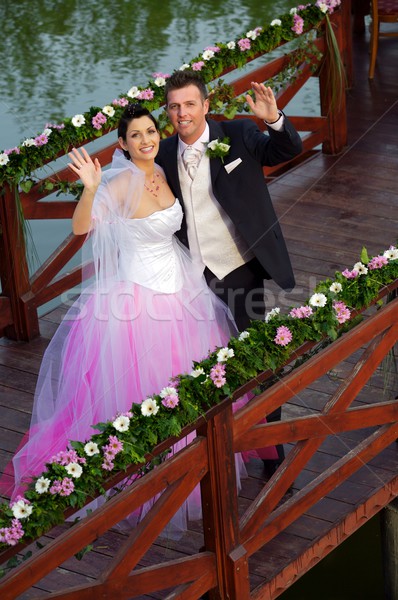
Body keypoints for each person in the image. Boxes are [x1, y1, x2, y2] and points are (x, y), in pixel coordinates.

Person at [2, 104, 276, 536]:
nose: (147, 140)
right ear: (123, 144)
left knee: (191, 382)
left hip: (183, 291)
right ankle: (149, 479)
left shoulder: (162, 171)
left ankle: (195, 463)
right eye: (136, 135)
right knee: (143, 389)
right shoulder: (119, 183)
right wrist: (91, 188)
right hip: (137, 301)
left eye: (151, 131)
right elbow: (80, 228)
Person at [156, 71, 303, 475]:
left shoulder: (237, 134)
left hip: (239, 268)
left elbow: (286, 149)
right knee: (201, 365)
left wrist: (274, 119)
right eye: (174, 106)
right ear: (167, 111)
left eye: (189, 104)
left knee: (259, 359)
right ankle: (214, 455)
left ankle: (272, 453)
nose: (182, 113)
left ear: (205, 105)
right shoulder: (164, 153)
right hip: (190, 275)